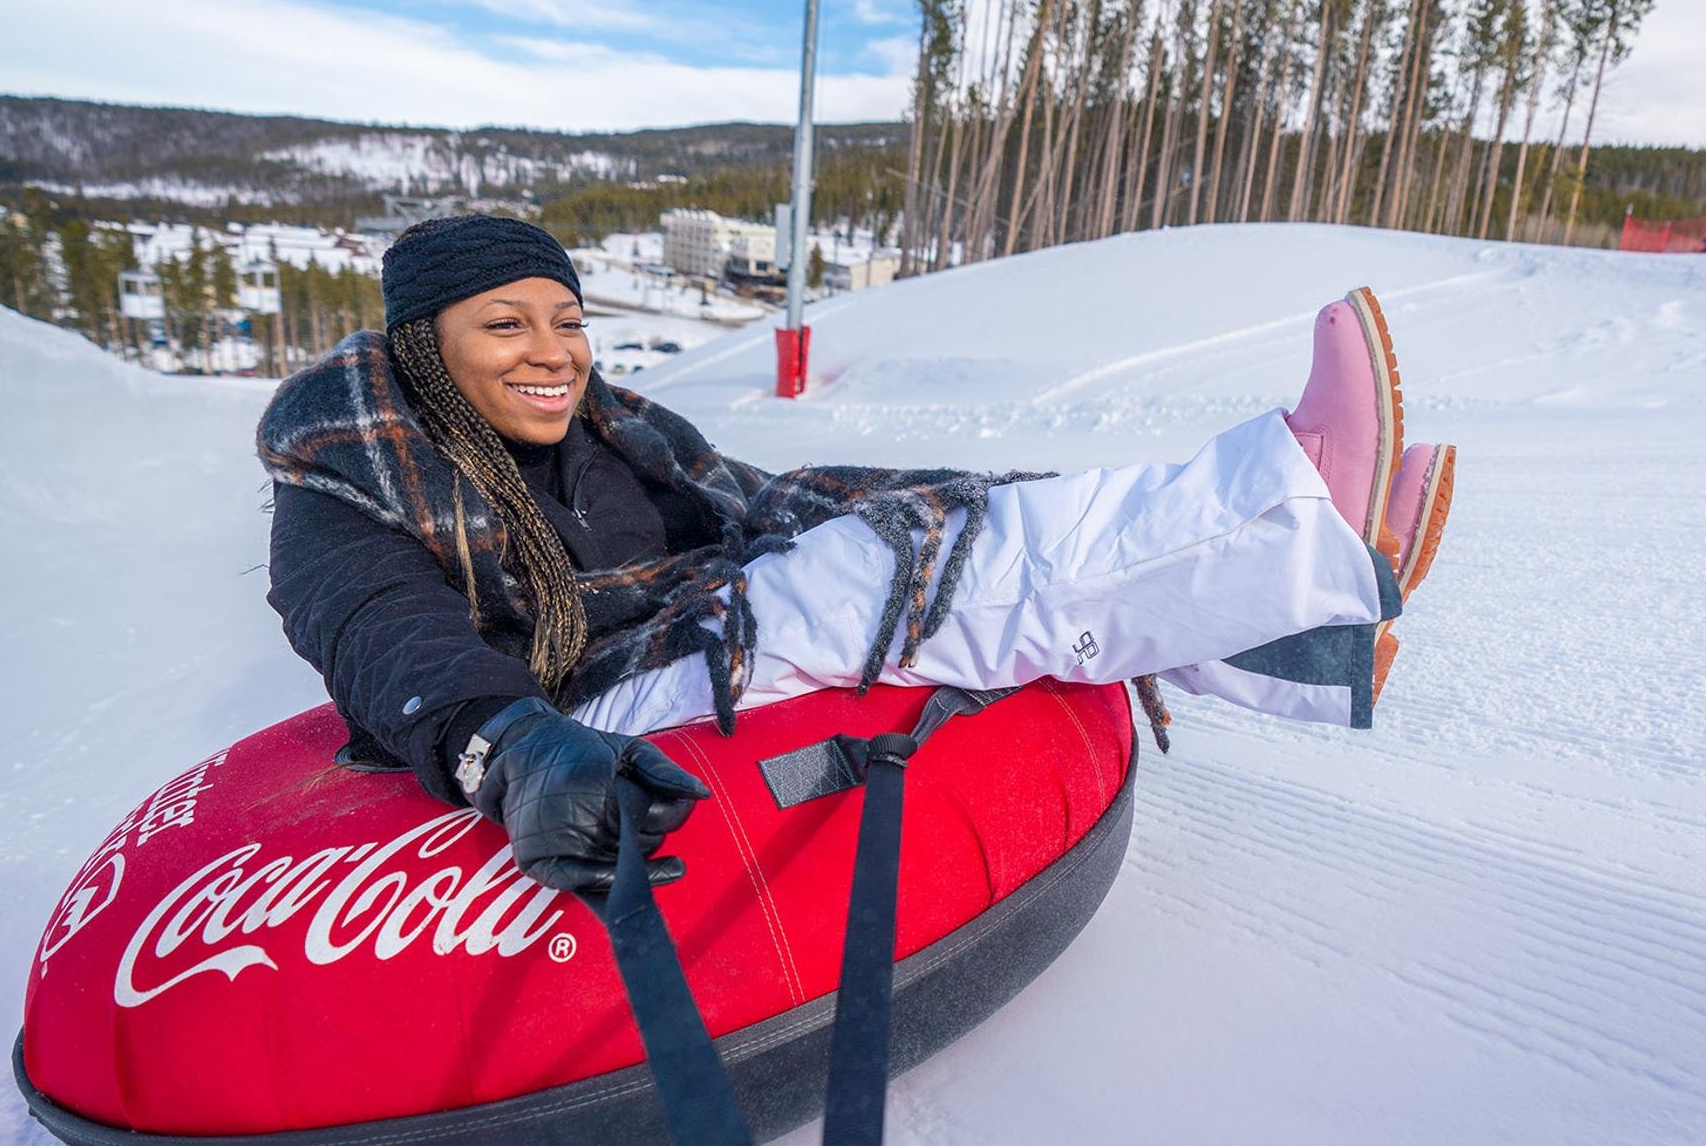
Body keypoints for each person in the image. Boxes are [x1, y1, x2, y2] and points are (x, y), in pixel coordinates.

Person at [259, 215, 1456, 894]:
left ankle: (1306, 620)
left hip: (695, 619)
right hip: (593, 700)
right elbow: (370, 624)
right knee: (882, 583)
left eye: (568, 318)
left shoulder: (613, 427)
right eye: (505, 325)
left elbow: (753, 501)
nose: (554, 350)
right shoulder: (349, 469)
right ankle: (1290, 508)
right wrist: (511, 744)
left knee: (926, 524)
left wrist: (899, 500)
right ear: (424, 346)